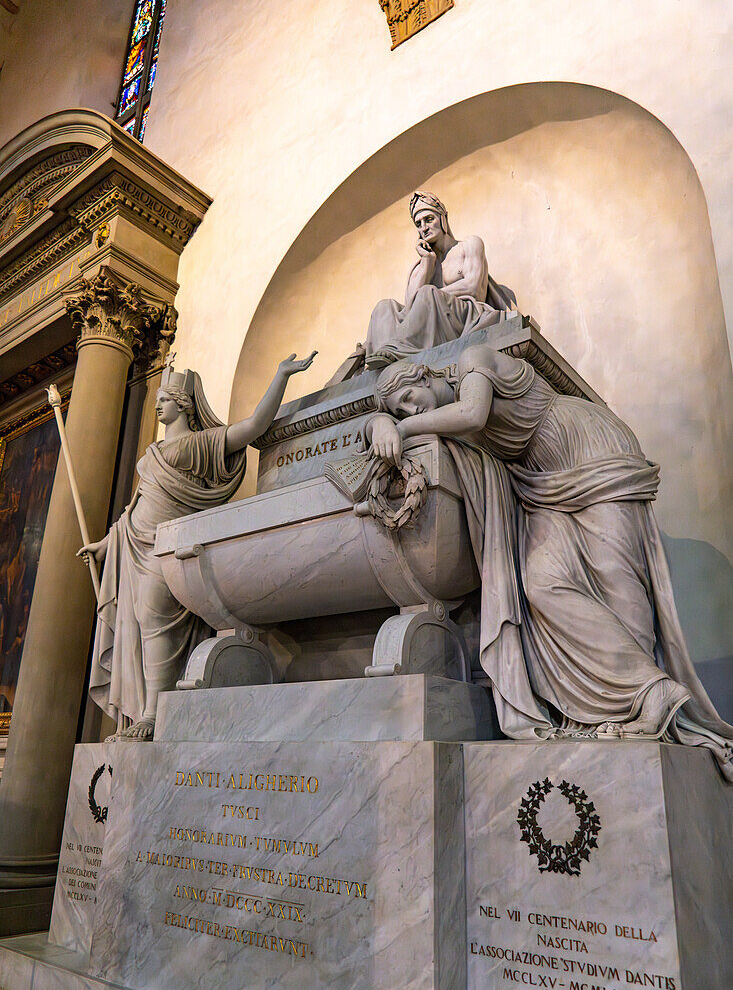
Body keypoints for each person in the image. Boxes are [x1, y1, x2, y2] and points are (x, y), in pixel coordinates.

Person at [369, 343, 733, 780]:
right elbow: (375, 425)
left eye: (411, 397)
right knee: (542, 583)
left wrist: (401, 426)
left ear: (428, 376)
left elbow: (473, 416)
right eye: (401, 408)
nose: (411, 409)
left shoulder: (474, 362)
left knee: (616, 578)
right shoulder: (431, 418)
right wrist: (379, 422)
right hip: (539, 483)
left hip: (588, 449)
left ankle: (647, 705)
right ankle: (639, 691)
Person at [79, 351, 316, 741]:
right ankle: (145, 710)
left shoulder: (200, 444)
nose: (158, 405)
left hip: (164, 547)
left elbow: (254, 427)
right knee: (138, 623)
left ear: (184, 404)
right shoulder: (152, 453)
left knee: (155, 620)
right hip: (133, 545)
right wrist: (107, 542)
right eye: (157, 400)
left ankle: (155, 715)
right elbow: (137, 505)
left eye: (165, 400)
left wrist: (281, 374)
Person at [328, 192, 515, 383]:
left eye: (429, 219)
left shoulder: (469, 245)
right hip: (430, 326)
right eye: (419, 224)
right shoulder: (420, 267)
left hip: (465, 316)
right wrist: (427, 263)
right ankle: (385, 366)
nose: (424, 227)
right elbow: (411, 309)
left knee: (427, 293)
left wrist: (433, 295)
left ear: (443, 218)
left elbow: (475, 288)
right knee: (384, 307)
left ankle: (396, 353)